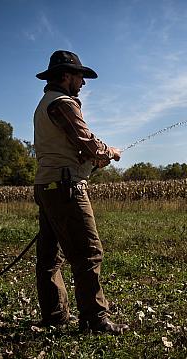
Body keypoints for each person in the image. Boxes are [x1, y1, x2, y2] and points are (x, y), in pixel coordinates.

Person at [33, 50, 129, 334]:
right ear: (65, 76)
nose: (83, 83)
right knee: (89, 253)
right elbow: (86, 142)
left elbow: (69, 148)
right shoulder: (64, 103)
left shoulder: (44, 103)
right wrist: (108, 152)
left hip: (48, 186)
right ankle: (95, 319)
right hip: (66, 188)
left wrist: (90, 159)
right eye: (79, 76)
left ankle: (55, 315)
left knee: (50, 258)